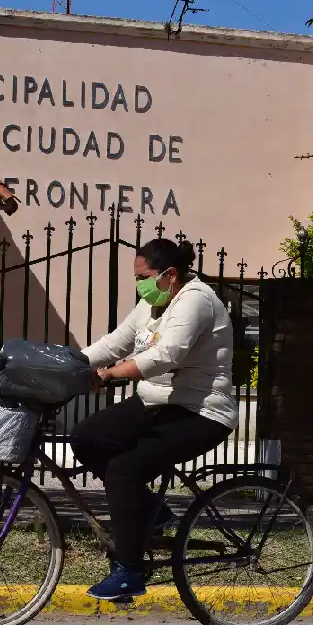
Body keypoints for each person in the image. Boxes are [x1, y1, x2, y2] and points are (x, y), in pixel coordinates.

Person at [74, 237, 236, 600]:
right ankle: (154, 510)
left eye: (143, 277)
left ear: (170, 275)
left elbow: (167, 354)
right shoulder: (152, 303)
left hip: (200, 411)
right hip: (155, 403)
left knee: (123, 470)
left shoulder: (196, 300)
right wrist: (71, 365)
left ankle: (129, 571)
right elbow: (115, 342)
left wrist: (112, 374)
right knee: (85, 439)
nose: (139, 285)